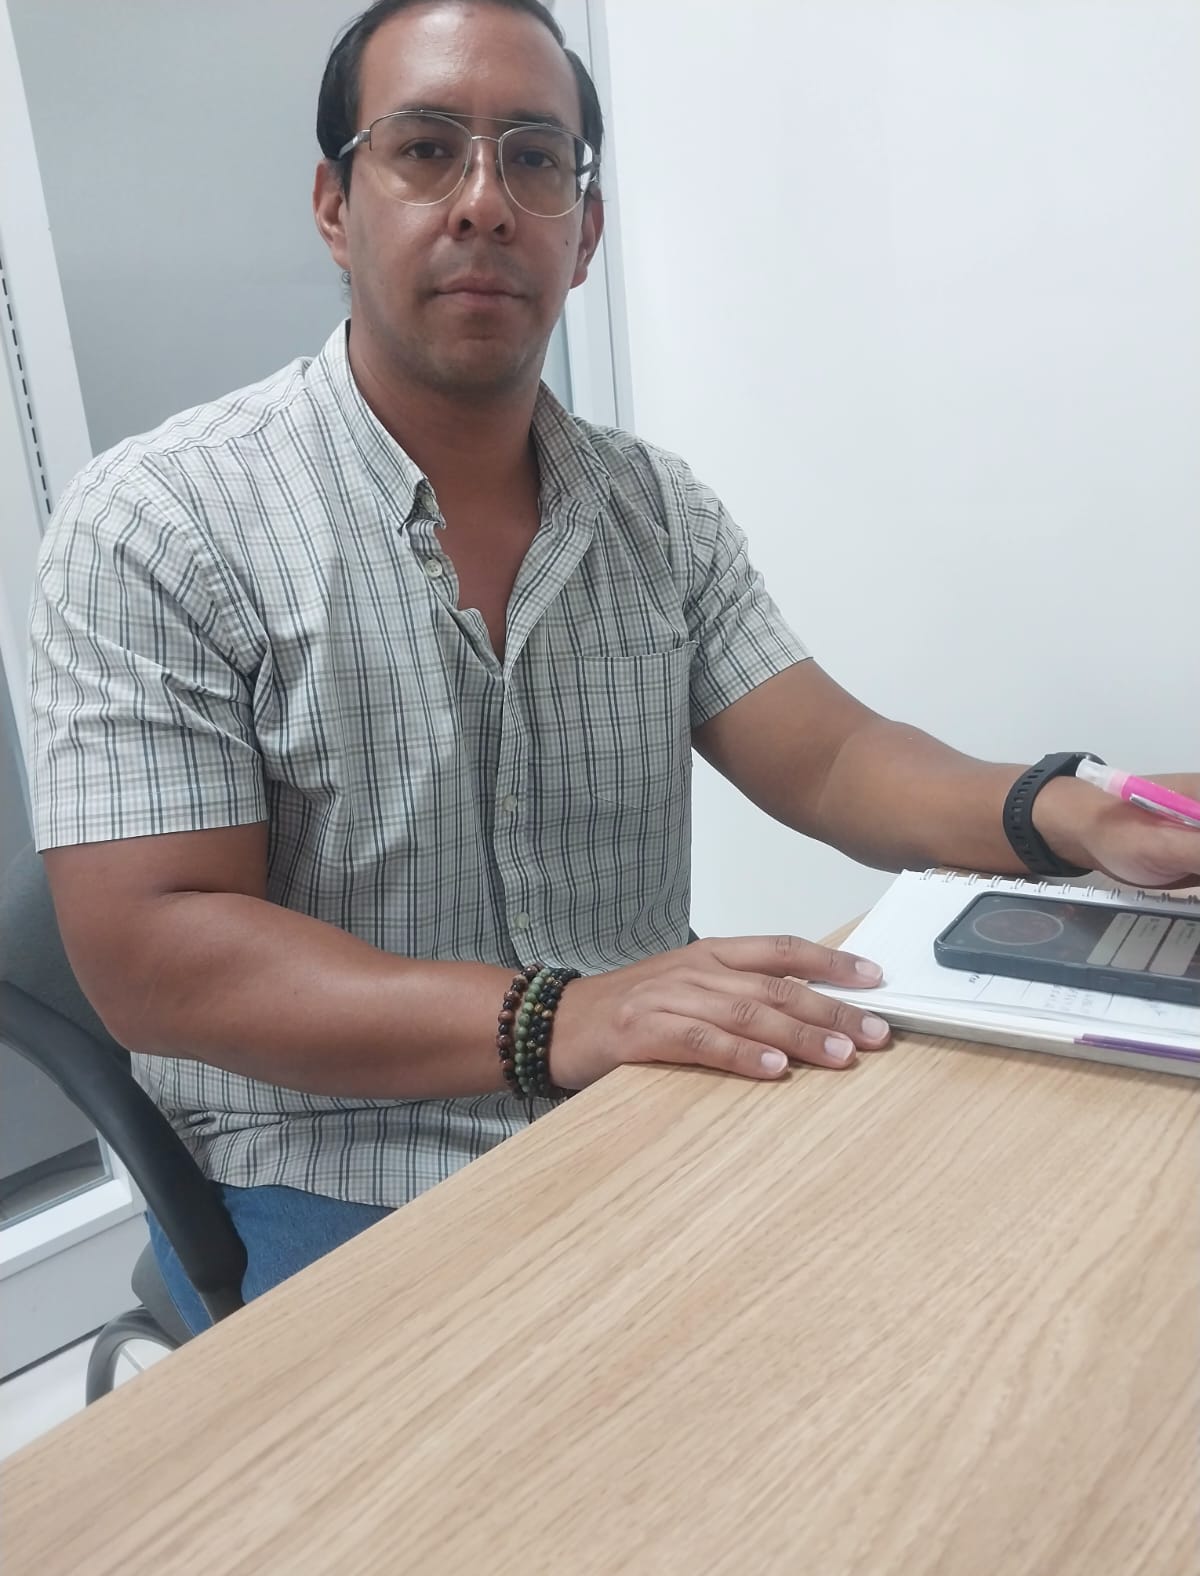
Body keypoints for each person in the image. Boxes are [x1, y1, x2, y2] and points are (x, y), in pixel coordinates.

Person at [27, 0, 1199, 1333]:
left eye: (535, 159)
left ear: (583, 234)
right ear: (335, 206)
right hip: (333, 1161)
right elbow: (154, 952)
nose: (485, 202)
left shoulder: (656, 512)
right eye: (426, 149)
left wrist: (1075, 812)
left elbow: (831, 756)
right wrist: (558, 1019)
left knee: (1005, 1296)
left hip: (647, 1097)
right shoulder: (160, 524)